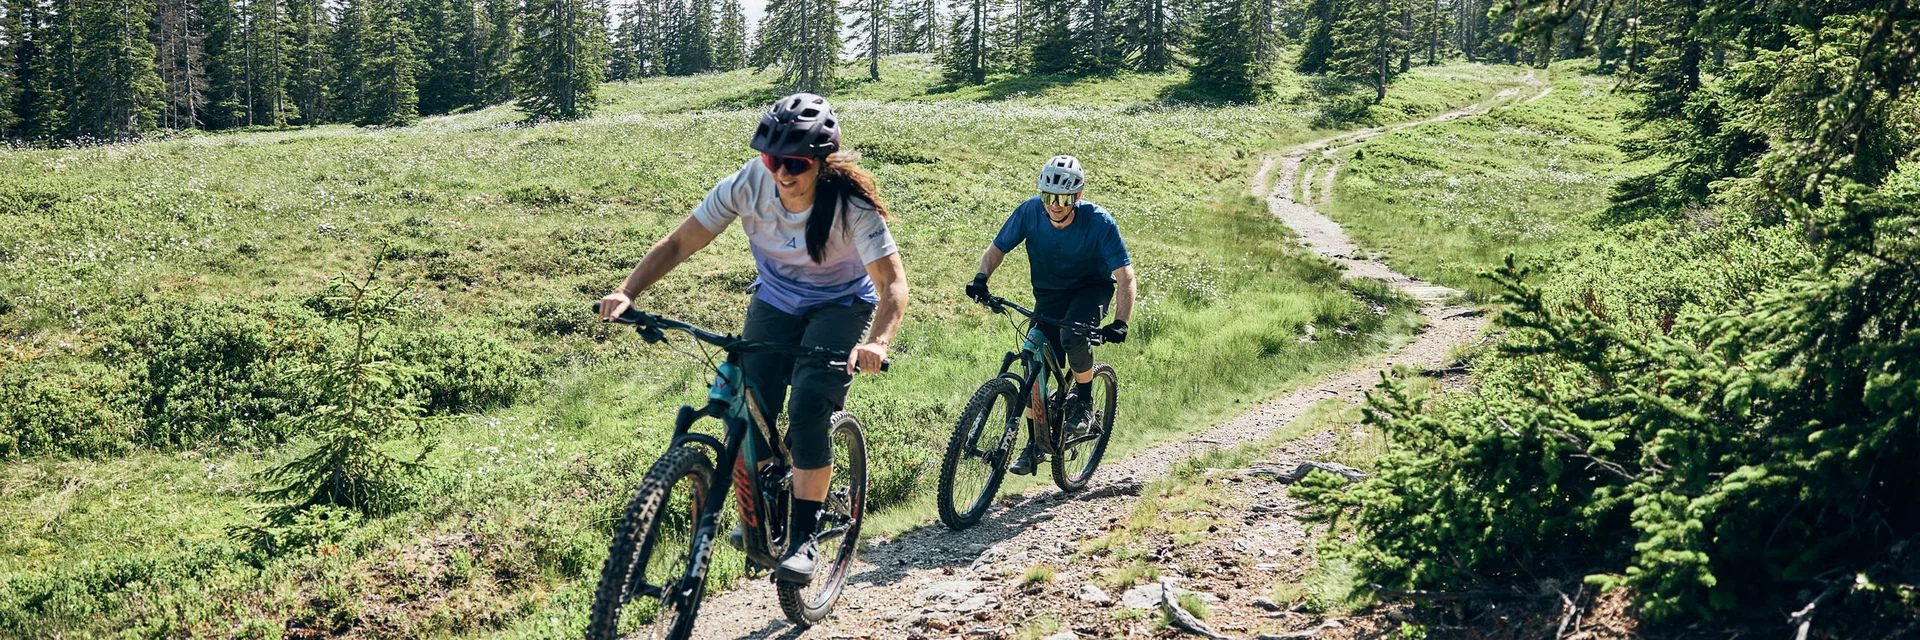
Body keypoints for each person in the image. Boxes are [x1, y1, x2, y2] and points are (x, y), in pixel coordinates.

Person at [599, 93, 908, 584]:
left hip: (841, 304)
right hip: (777, 298)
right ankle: (767, 504)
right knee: (749, 401)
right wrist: (626, 290)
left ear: (821, 163)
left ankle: (804, 537)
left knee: (809, 407)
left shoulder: (852, 207)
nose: (782, 173)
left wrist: (878, 342)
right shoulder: (749, 183)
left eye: (795, 162)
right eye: (772, 159)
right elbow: (681, 241)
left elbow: (892, 283)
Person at [966, 155, 1135, 476]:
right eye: (1048, 196)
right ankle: (1034, 445)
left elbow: (1125, 276)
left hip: (1091, 291)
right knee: (1033, 362)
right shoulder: (1030, 212)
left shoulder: (1099, 222)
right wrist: (980, 279)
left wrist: (1120, 322)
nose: (1054, 205)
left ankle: (1084, 402)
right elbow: (996, 249)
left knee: (1073, 335)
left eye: (1062, 198)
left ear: (1077, 197)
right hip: (1049, 296)